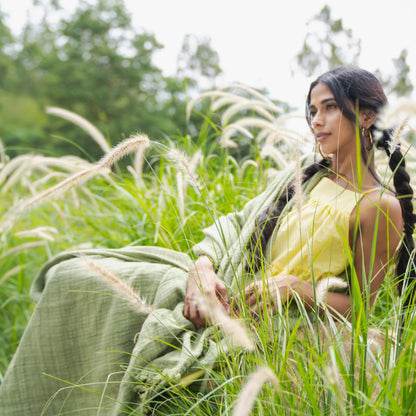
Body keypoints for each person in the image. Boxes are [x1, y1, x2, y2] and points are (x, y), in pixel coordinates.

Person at [0, 67, 414, 415]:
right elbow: (236, 225)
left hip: (279, 323)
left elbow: (359, 309)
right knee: (76, 274)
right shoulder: (306, 176)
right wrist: (202, 268)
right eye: (311, 111)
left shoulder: (378, 206)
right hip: (228, 286)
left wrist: (294, 289)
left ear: (364, 117)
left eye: (329, 108)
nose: (317, 121)